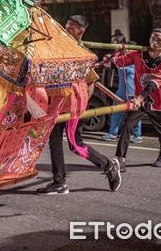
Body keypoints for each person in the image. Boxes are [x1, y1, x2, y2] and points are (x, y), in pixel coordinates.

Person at [36, 15, 121, 195]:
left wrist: (79, 105)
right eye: (66, 27)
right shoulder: (60, 48)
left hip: (73, 105)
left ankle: (108, 165)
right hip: (58, 102)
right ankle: (59, 182)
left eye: (71, 28)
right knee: (54, 141)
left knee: (76, 144)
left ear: (81, 31)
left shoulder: (82, 52)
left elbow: (90, 83)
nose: (67, 30)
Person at [110, 28, 161, 172]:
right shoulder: (137, 54)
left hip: (157, 100)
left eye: (159, 40)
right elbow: (119, 62)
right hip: (139, 101)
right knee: (127, 125)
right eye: (153, 39)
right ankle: (121, 158)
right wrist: (111, 58)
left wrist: (139, 97)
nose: (155, 42)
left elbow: (154, 83)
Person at [102, 62, 143, 143]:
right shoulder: (125, 61)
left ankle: (136, 135)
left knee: (132, 114)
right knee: (118, 113)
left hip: (130, 92)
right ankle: (115, 133)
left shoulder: (132, 62)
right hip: (124, 92)